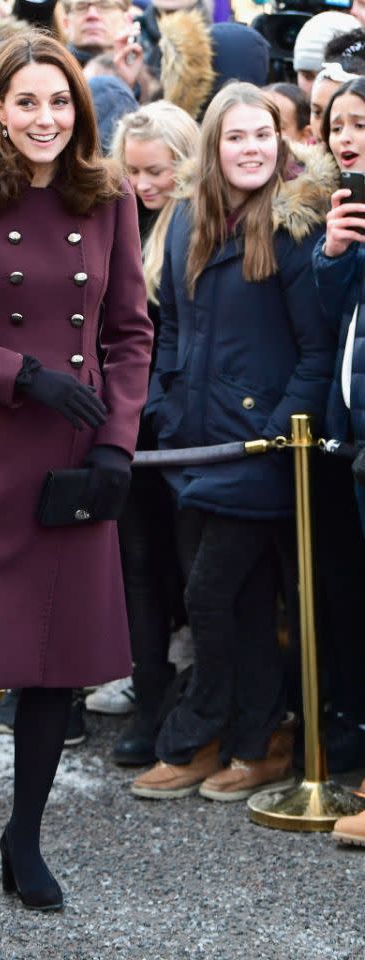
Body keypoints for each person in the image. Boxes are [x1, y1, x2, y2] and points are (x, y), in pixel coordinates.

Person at [0, 29, 152, 931]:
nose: (45, 118)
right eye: (28, 102)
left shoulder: (109, 193)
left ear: (77, 113)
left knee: (56, 665)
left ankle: (25, 842)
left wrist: (117, 441)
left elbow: (130, 332)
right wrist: (19, 372)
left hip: (78, 454)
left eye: (60, 103)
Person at [131, 82, 336, 802]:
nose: (251, 148)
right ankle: (255, 736)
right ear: (214, 148)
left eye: (262, 137)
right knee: (240, 602)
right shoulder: (187, 219)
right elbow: (176, 329)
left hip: (261, 452)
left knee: (211, 594)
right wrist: (167, 405)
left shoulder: (294, 229)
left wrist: (279, 431)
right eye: (235, 137)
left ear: (279, 145)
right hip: (193, 445)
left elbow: (317, 352)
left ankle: (198, 729)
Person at [91, 100, 199, 766]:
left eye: (156, 171)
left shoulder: (193, 225)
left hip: (181, 423)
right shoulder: (111, 218)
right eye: (131, 171)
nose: (143, 185)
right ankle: (150, 691)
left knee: (188, 567)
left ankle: (189, 698)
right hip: (126, 421)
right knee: (133, 565)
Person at [313, 79, 365, 830]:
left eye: (361, 123)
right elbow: (335, 323)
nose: (347, 137)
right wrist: (333, 252)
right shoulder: (345, 211)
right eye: (337, 126)